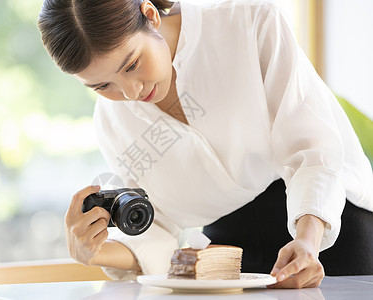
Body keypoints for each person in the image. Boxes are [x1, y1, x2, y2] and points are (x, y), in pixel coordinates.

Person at [37, 0, 373, 288]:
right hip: (224, 262)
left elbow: (312, 149)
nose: (130, 92)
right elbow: (156, 225)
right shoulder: (112, 122)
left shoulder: (249, 24)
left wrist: (307, 241)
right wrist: (94, 252)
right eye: (102, 85)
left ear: (150, 14)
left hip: (325, 231)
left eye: (132, 65)